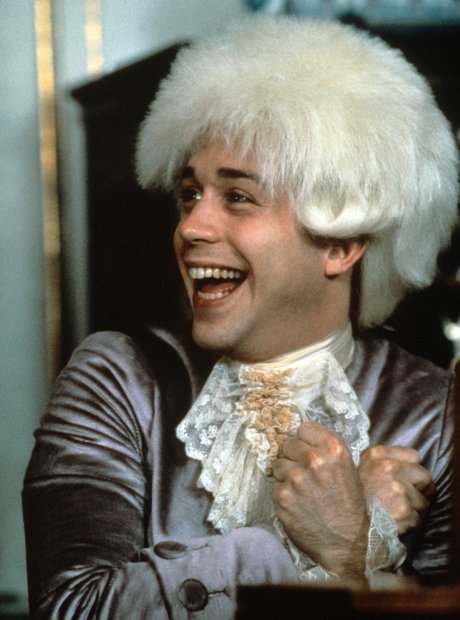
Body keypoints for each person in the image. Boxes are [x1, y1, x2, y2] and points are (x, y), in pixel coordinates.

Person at [23, 15, 458, 619]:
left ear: (340, 244)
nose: (191, 228)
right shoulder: (118, 379)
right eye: (189, 195)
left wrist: (347, 550)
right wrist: (313, 549)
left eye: (238, 197)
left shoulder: (436, 414)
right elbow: (71, 607)